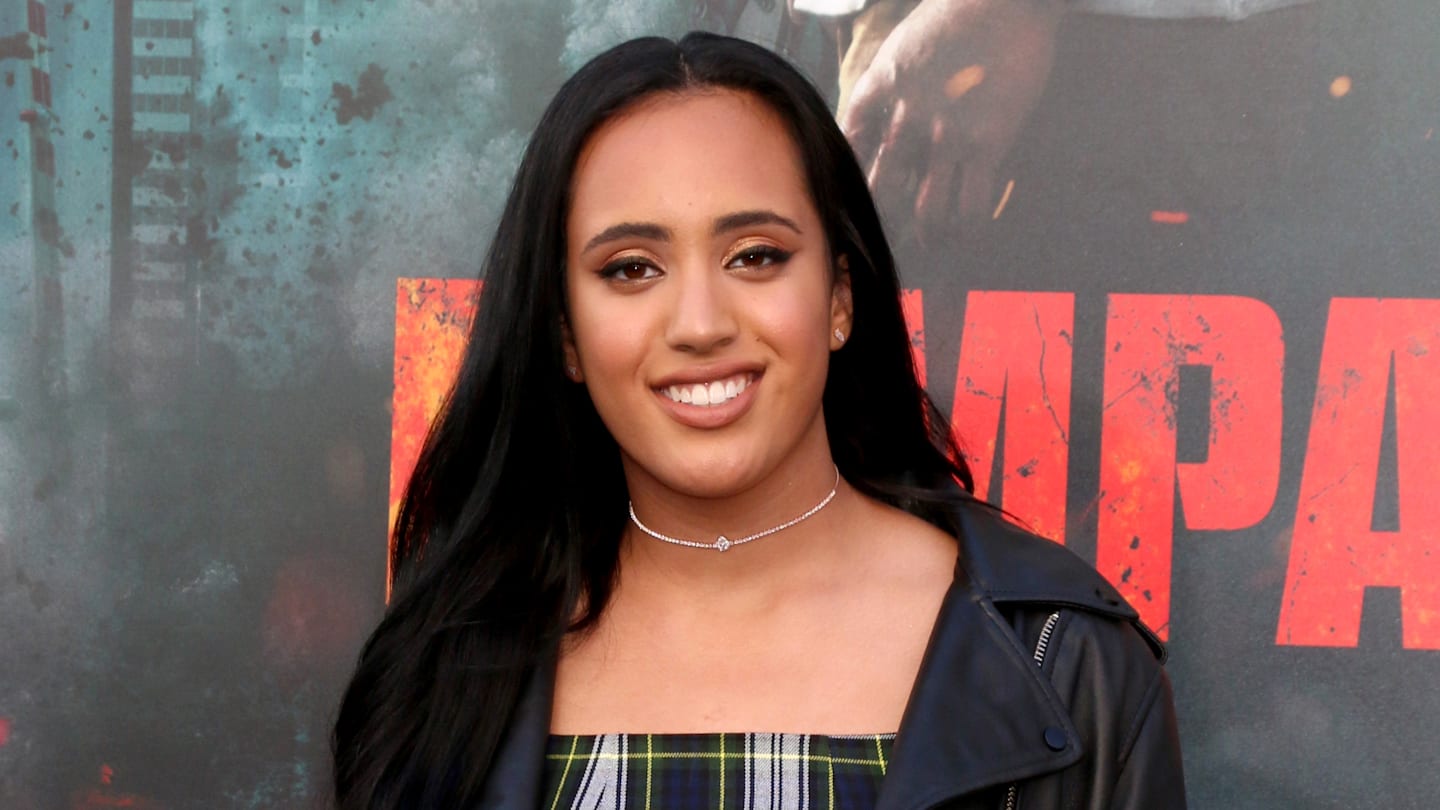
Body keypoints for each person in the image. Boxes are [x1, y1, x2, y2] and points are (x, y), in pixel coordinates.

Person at [331, 31, 1185, 810]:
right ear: (564, 333)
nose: (700, 324)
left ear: (840, 298)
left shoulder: (1066, 663)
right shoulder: (439, 674)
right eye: (631, 269)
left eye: (755, 256)